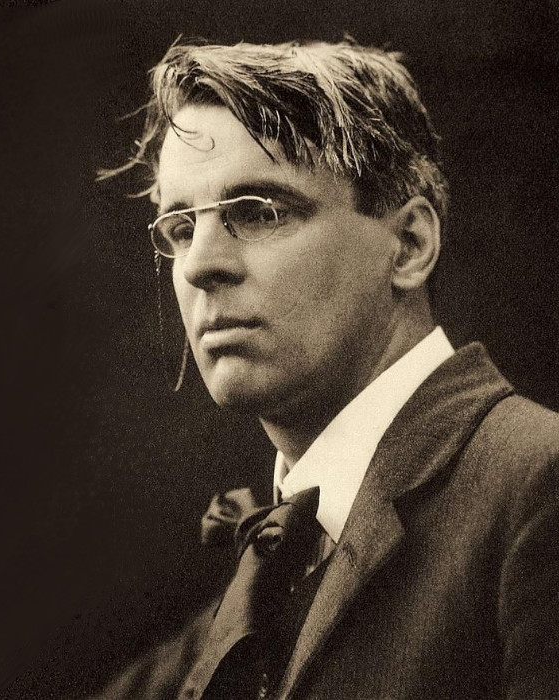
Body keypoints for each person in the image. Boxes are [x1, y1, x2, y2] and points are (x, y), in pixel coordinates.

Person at [95, 40, 559, 699]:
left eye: (258, 212)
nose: (199, 265)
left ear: (409, 245)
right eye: (180, 227)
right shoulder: (243, 601)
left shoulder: (535, 487)